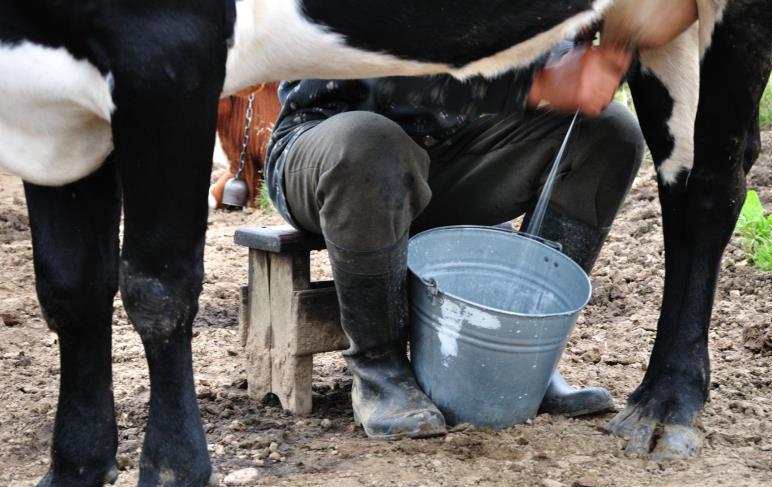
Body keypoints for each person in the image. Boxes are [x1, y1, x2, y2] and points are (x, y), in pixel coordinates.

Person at [263, 41, 645, 439]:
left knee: (609, 132)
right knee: (372, 140)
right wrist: (536, 82)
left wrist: (583, 60)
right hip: (329, 147)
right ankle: (379, 369)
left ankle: (525, 361)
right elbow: (386, 73)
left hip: (446, 148)